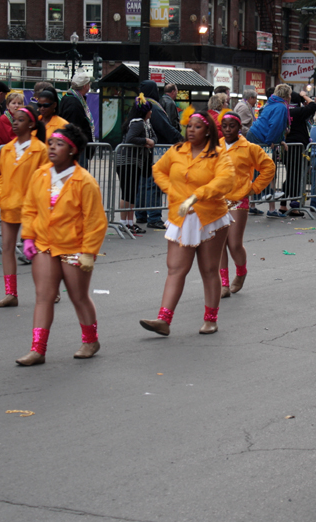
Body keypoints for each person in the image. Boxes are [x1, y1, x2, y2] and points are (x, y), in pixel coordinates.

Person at [17, 124, 108, 366]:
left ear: (72, 150)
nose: (53, 148)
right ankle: (37, 349)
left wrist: (88, 252)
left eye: (59, 144)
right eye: (51, 144)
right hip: (45, 244)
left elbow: (95, 220)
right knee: (43, 296)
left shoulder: (85, 181)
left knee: (78, 297)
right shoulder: (40, 174)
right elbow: (29, 208)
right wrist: (27, 236)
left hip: (73, 248)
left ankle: (91, 340)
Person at [140, 110, 236, 336]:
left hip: (210, 217)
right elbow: (158, 170)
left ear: (208, 131)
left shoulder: (218, 155)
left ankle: (210, 319)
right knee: (175, 269)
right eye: (189, 126)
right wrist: (173, 191)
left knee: (209, 269)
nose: (191, 130)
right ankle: (163, 320)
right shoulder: (176, 151)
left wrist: (197, 195)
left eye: (197, 127)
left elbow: (226, 180)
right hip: (181, 217)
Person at [0, 106, 49, 308]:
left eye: (21, 120)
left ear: (31, 124)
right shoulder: (6, 149)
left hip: (32, 209)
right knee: (7, 248)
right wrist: (1, 195)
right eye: (14, 120)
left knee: (39, 252)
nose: (15, 123)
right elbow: (2, 177)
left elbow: (45, 179)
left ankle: (51, 290)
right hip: (9, 206)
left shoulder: (40, 150)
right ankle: (11, 294)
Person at [218, 111, 276, 298]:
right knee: (219, 244)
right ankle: (223, 284)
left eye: (231, 126)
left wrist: (254, 188)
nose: (227, 130)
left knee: (234, 244)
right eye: (224, 126)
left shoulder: (249, 148)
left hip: (238, 199)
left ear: (240, 127)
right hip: (217, 200)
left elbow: (268, 167)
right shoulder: (215, 147)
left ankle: (241, 272)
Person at [135, 80, 184, 230]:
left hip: (145, 150)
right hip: (155, 150)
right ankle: (154, 217)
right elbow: (164, 127)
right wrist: (180, 138)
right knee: (153, 183)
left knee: (143, 183)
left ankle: (141, 214)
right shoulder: (153, 106)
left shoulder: (141, 103)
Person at [117, 94, 157, 235]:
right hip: (127, 161)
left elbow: (154, 137)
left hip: (135, 161)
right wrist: (146, 141)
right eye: (149, 110)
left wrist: (150, 140)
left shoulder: (145, 123)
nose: (151, 112)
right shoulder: (138, 123)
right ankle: (124, 223)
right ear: (144, 111)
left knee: (132, 193)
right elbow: (131, 138)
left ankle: (129, 223)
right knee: (127, 192)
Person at [278, 91, 316, 217]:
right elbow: (314, 106)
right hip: (298, 148)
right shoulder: (297, 111)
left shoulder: (285, 111)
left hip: (287, 147)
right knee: (295, 177)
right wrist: (305, 95)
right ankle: (294, 207)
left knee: (290, 176)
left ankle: (283, 204)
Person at [59, 72, 95, 167]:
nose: (89, 85)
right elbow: (74, 127)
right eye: (88, 83)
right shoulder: (74, 104)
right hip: (76, 149)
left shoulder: (70, 97)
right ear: (85, 86)